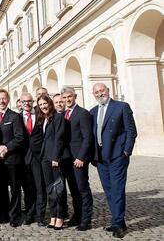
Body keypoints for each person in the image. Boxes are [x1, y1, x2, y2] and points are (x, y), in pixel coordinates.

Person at [90, 83, 137, 239]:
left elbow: (131, 130)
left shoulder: (121, 107)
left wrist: (126, 151)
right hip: (101, 158)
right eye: (96, 92)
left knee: (117, 189)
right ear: (93, 94)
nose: (99, 94)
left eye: (102, 90)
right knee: (109, 191)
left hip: (117, 155)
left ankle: (117, 224)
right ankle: (120, 220)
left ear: (108, 91)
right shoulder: (93, 112)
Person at [0, 89, 26, 227]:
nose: (1, 101)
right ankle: (3, 214)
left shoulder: (14, 116)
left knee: (15, 188)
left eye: (4, 98)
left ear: (8, 99)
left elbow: (20, 137)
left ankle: (15, 215)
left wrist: (6, 148)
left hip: (12, 159)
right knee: (1, 189)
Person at [61, 86, 93, 231]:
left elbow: (87, 138)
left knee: (82, 189)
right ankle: (77, 216)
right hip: (67, 159)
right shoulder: (62, 114)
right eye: (65, 97)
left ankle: (86, 220)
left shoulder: (83, 113)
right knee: (73, 190)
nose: (67, 100)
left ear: (75, 97)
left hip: (78, 159)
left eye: (70, 97)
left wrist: (81, 157)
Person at [37, 94, 68, 230]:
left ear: (50, 103)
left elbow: (59, 138)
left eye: (45, 103)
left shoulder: (58, 117)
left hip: (55, 158)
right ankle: (53, 215)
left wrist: (56, 157)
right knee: (50, 189)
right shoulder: (44, 118)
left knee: (59, 189)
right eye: (40, 105)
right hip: (45, 158)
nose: (43, 106)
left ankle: (60, 216)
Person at [21, 92, 47, 227]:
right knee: (28, 188)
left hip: (39, 156)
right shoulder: (17, 117)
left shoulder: (41, 114)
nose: (27, 103)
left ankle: (40, 216)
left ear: (33, 102)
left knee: (40, 187)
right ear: (20, 103)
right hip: (24, 157)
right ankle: (29, 214)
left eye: (29, 101)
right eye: (24, 101)